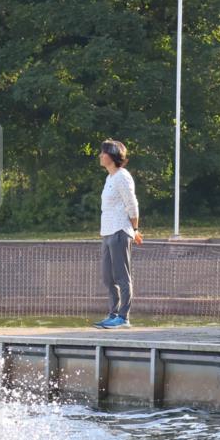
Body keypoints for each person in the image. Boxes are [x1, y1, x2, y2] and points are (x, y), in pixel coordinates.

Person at [94, 139, 142, 329]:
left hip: (120, 231)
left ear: (112, 156)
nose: (100, 155)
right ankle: (113, 314)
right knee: (108, 276)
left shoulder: (123, 176)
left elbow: (132, 204)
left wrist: (135, 229)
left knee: (122, 276)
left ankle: (123, 317)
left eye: (103, 152)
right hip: (107, 232)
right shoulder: (110, 178)